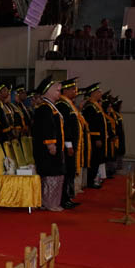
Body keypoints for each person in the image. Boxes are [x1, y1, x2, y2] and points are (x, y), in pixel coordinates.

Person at [31, 77, 66, 211]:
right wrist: (51, 145)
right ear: (49, 91)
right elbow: (47, 128)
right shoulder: (45, 108)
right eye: (57, 90)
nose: (59, 93)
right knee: (51, 175)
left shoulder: (51, 106)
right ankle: (49, 203)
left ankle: (52, 202)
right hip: (47, 151)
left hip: (54, 149)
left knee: (55, 175)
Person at [56, 78, 86, 208]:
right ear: (65, 91)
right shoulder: (62, 105)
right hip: (67, 146)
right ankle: (64, 199)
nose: (75, 91)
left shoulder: (69, 104)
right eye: (73, 89)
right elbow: (66, 126)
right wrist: (68, 144)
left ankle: (68, 197)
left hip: (72, 144)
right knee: (67, 171)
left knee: (70, 171)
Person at [80, 83, 107, 189]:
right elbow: (92, 124)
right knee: (94, 159)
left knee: (97, 159)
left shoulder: (96, 105)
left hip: (99, 137)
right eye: (98, 92)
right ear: (93, 93)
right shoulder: (90, 107)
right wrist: (97, 138)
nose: (100, 94)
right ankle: (90, 181)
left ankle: (93, 179)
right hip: (93, 139)